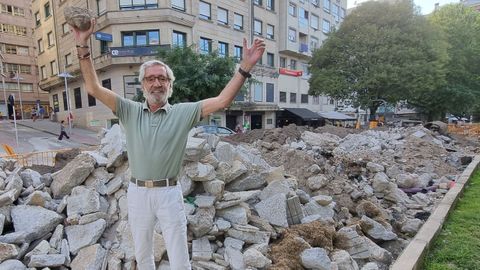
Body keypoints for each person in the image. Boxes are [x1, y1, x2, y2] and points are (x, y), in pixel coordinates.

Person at [71, 19, 264, 269]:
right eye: (150, 79)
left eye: (162, 78)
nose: (156, 83)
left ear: (169, 84)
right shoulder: (129, 111)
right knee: (142, 254)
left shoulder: (182, 112)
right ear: (143, 85)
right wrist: (82, 46)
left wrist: (244, 67)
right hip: (138, 192)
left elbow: (222, 100)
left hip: (169, 192)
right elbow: (94, 88)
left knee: (179, 254)